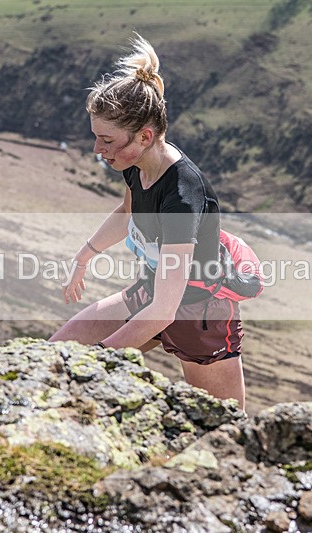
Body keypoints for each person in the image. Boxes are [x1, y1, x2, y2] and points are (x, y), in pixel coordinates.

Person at [49, 34, 245, 410]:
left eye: (106, 140)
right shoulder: (136, 165)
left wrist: (101, 357)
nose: (97, 150)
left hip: (198, 320)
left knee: (227, 430)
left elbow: (164, 313)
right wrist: (84, 256)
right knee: (56, 357)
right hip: (152, 294)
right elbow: (127, 213)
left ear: (145, 135)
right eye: (95, 138)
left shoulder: (182, 197)